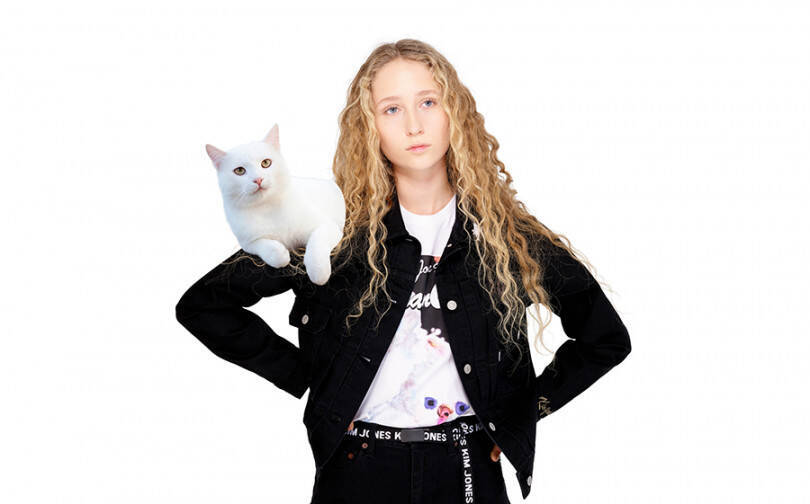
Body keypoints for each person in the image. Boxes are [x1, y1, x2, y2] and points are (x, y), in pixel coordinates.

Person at [176, 39, 631, 504]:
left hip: (468, 466)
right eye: (391, 109)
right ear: (368, 126)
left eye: (428, 102)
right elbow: (204, 306)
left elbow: (605, 340)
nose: (414, 125)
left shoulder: (505, 236)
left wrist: (522, 413)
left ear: (454, 111)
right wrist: (304, 375)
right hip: (357, 467)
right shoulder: (333, 226)